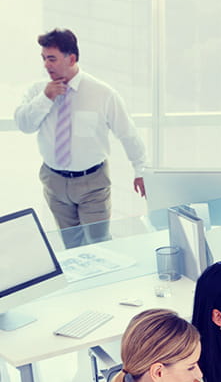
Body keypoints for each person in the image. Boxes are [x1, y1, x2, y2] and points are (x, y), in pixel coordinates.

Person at [14, 27, 147, 247]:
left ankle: (104, 281)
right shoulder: (38, 91)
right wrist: (45, 98)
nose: (46, 64)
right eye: (44, 58)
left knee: (99, 243)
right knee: (72, 246)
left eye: (52, 59)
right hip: (53, 181)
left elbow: (128, 133)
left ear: (72, 58)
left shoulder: (103, 93)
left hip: (92, 183)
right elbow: (24, 124)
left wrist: (140, 170)